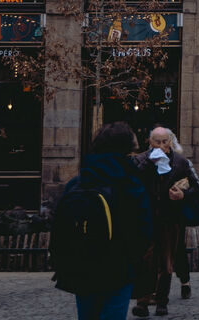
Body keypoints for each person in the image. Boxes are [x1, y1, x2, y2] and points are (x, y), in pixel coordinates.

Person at [53, 121, 152, 320]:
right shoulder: (130, 183)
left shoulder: (78, 182)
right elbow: (144, 228)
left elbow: (60, 224)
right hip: (119, 266)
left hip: (82, 263)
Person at [131, 127, 199, 318]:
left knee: (166, 262)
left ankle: (162, 301)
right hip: (146, 219)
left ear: (170, 141)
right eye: (157, 142)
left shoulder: (181, 162)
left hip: (171, 219)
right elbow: (132, 183)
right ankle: (142, 302)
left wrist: (183, 195)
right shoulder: (140, 160)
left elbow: (197, 190)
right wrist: (148, 162)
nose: (161, 145)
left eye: (164, 141)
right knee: (146, 260)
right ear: (150, 142)